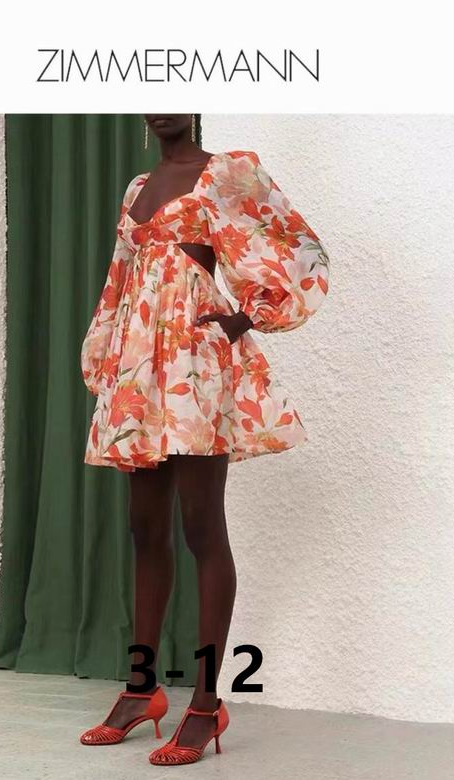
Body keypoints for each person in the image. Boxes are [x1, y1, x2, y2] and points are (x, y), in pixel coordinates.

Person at [79, 114, 330, 766]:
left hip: (196, 361)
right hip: (140, 366)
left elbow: (298, 246)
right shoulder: (137, 187)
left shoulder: (226, 171)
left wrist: (245, 317)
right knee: (144, 528)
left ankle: (206, 702)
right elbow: (119, 278)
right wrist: (106, 355)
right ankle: (141, 690)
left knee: (201, 527)